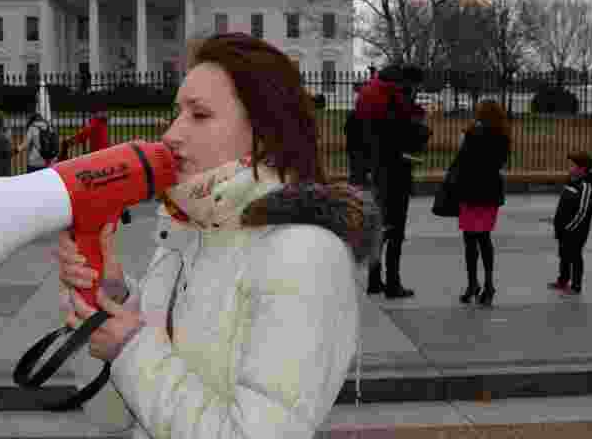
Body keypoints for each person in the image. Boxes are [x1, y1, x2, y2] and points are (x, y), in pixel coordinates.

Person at [55, 32, 381, 438]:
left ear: (265, 132)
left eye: (200, 115)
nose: (172, 134)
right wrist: (109, 301)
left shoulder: (304, 253)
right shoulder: (185, 234)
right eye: (177, 114)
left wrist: (132, 349)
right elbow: (112, 417)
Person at [354, 62, 428, 299]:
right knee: (396, 230)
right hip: (397, 170)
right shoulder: (399, 100)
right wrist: (422, 129)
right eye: (417, 86)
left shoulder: (378, 97)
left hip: (378, 168)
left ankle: (375, 280)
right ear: (410, 83)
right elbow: (407, 135)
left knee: (381, 227)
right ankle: (394, 283)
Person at [452, 100, 511, 307]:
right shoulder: (503, 137)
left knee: (469, 239)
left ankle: (472, 284)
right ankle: (488, 284)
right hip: (490, 192)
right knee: (485, 238)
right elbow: (501, 164)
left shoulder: (469, 134)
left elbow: (460, 161)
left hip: (470, 190)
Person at [549, 151, 592, 295]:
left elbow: (583, 211)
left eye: (573, 165)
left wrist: (569, 227)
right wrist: (558, 224)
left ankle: (576, 286)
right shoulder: (571, 181)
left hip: (576, 230)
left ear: (582, 168)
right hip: (564, 228)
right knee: (564, 254)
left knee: (575, 256)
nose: (570, 168)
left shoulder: (585, 187)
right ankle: (563, 280)